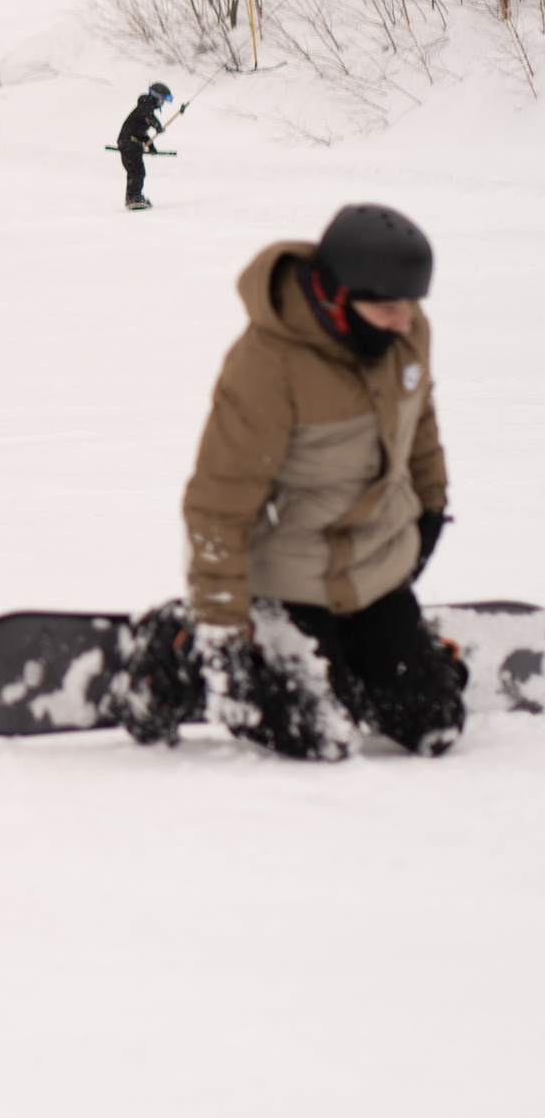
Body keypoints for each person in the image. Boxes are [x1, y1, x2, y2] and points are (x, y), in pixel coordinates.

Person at [109, 204, 459, 762]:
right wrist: (224, 633)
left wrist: (432, 507)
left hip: (369, 570)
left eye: (412, 304)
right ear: (338, 297)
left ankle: (349, 654)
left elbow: (420, 425)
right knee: (323, 738)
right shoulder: (267, 367)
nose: (405, 321)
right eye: (388, 307)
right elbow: (217, 506)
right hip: (287, 576)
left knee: (435, 724)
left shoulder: (407, 335)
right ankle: (181, 645)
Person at [115, 82, 170, 211]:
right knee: (137, 171)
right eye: (162, 100)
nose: (163, 103)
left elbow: (141, 132)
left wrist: (150, 146)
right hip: (129, 143)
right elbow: (148, 117)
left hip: (131, 142)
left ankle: (132, 197)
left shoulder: (145, 109)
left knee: (137, 171)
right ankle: (134, 198)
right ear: (156, 97)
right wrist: (157, 126)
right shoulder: (145, 105)